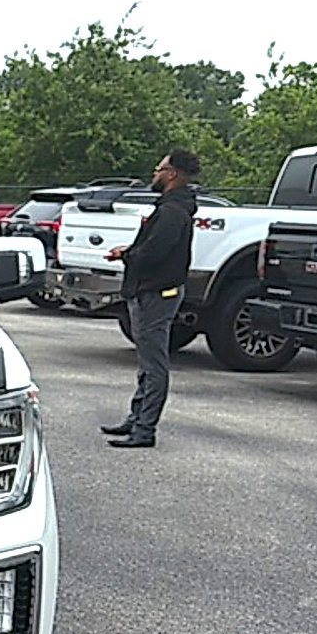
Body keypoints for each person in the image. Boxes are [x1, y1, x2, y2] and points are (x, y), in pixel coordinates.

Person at [101, 148, 200, 449]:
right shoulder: (171, 207)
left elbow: (155, 252)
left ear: (172, 174)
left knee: (154, 364)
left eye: (159, 168)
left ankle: (145, 430)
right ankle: (136, 418)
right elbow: (155, 248)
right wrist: (130, 252)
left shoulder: (172, 212)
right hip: (151, 291)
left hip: (158, 293)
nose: (154, 173)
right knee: (146, 362)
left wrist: (128, 256)